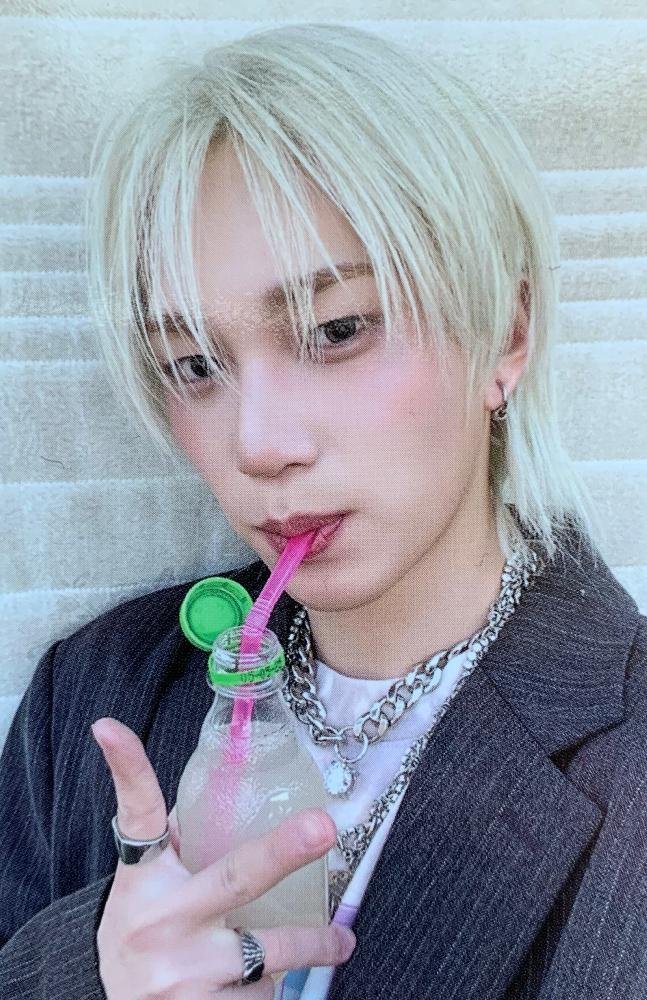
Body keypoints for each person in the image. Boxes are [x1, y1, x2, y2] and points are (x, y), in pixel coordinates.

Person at [1, 20, 646, 1000]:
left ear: (504, 335)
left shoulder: (625, 751)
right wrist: (89, 975)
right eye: (193, 363)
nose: (258, 442)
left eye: (336, 328)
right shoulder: (90, 699)